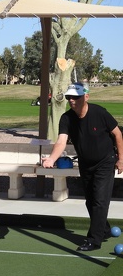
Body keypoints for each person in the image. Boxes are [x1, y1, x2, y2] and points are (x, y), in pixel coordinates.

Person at [42, 82, 123, 251]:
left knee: (100, 201)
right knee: (90, 201)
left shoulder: (99, 113)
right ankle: (104, 228)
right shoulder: (66, 118)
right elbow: (62, 141)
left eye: (76, 97)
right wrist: (51, 158)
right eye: (69, 97)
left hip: (105, 162)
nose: (72, 101)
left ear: (86, 97)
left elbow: (117, 134)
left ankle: (94, 240)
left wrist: (121, 159)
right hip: (86, 164)